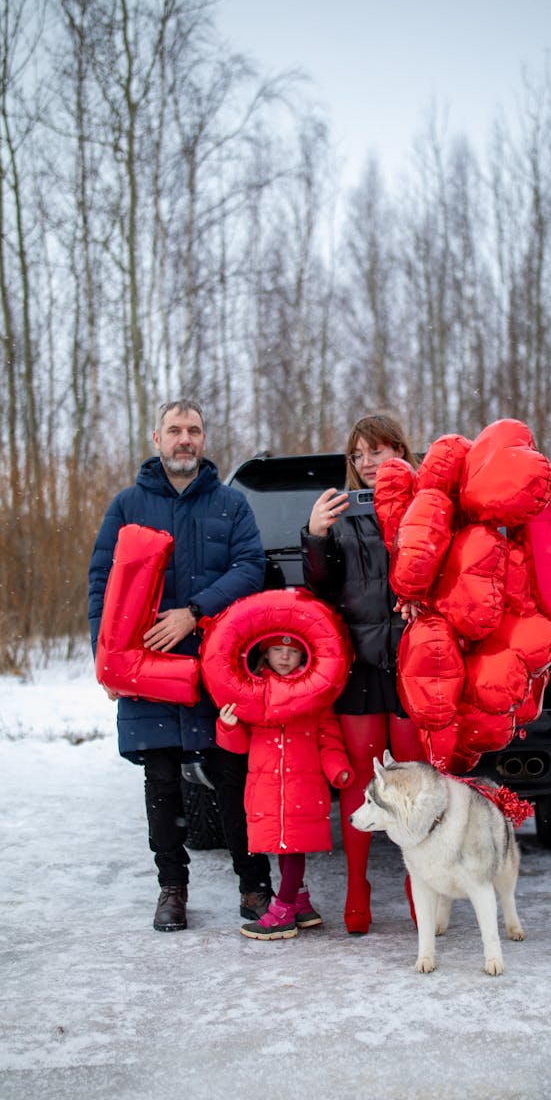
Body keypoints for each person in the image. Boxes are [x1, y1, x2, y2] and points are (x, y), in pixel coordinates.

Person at [88, 399, 273, 933]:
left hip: (219, 667)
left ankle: (254, 885)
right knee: (162, 783)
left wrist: (194, 611)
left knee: (232, 779)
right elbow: (101, 582)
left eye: (193, 430)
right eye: (174, 430)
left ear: (204, 439)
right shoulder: (128, 505)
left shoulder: (230, 504)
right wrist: (105, 661)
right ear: (157, 438)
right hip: (148, 667)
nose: (184, 439)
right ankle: (172, 889)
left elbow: (251, 567)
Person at [301, 412, 425, 934]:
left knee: (411, 778)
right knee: (359, 774)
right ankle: (357, 885)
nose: (368, 462)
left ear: (400, 449)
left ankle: (419, 883)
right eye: (358, 454)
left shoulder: (427, 504)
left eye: (377, 450)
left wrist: (425, 598)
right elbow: (322, 586)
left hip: (416, 658)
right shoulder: (340, 510)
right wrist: (315, 535)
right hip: (359, 660)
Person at [216, 633, 353, 939]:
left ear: (304, 656)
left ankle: (284, 911)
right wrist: (228, 726)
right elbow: (239, 745)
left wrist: (338, 768)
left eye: (292, 651)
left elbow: (328, 737)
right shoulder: (253, 691)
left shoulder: (315, 694)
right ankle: (300, 902)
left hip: (302, 787)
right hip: (267, 787)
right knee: (283, 845)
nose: (284, 657)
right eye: (277, 649)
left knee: (293, 849)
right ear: (265, 654)